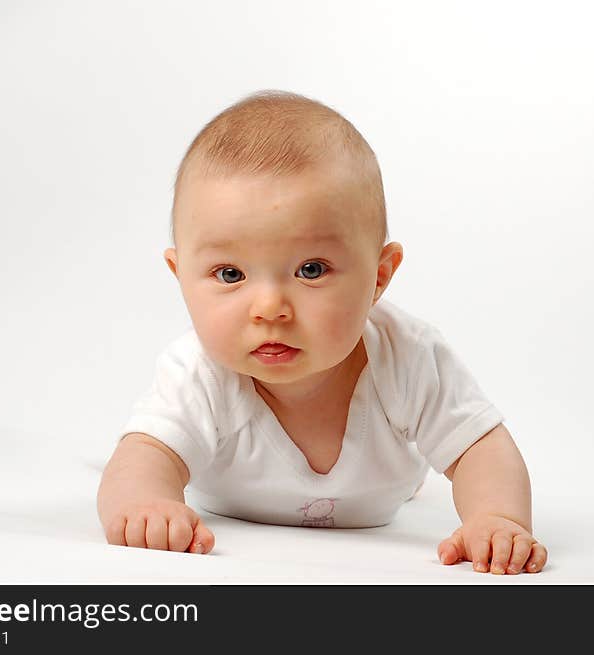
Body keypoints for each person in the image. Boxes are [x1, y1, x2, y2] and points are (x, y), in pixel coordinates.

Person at [97, 90, 548, 574]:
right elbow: (141, 458)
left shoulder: (408, 356)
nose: (270, 308)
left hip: (382, 489)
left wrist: (496, 517)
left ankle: (405, 472)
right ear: (180, 275)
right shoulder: (198, 373)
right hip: (230, 519)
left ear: (379, 276)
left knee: (440, 461)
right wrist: (147, 504)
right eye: (231, 275)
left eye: (311, 270)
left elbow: (481, 447)